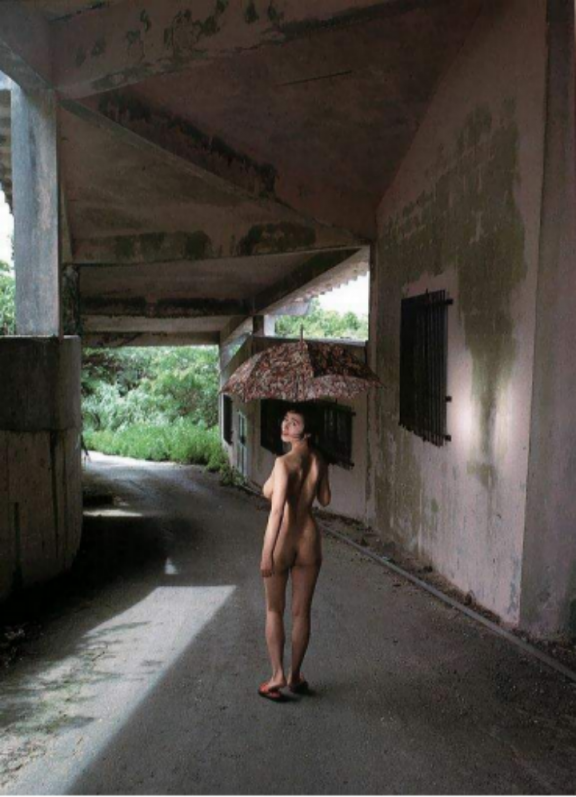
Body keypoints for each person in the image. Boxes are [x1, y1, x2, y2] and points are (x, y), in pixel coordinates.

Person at [258, 404, 331, 701]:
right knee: (302, 612)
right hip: (309, 540)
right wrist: (317, 473)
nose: (286, 426)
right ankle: (295, 675)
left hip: (283, 539)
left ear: (307, 431)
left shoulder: (283, 462)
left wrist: (267, 553)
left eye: (295, 423)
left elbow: (276, 511)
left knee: (274, 610)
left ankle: (277, 675)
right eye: (286, 420)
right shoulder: (319, 459)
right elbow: (325, 499)